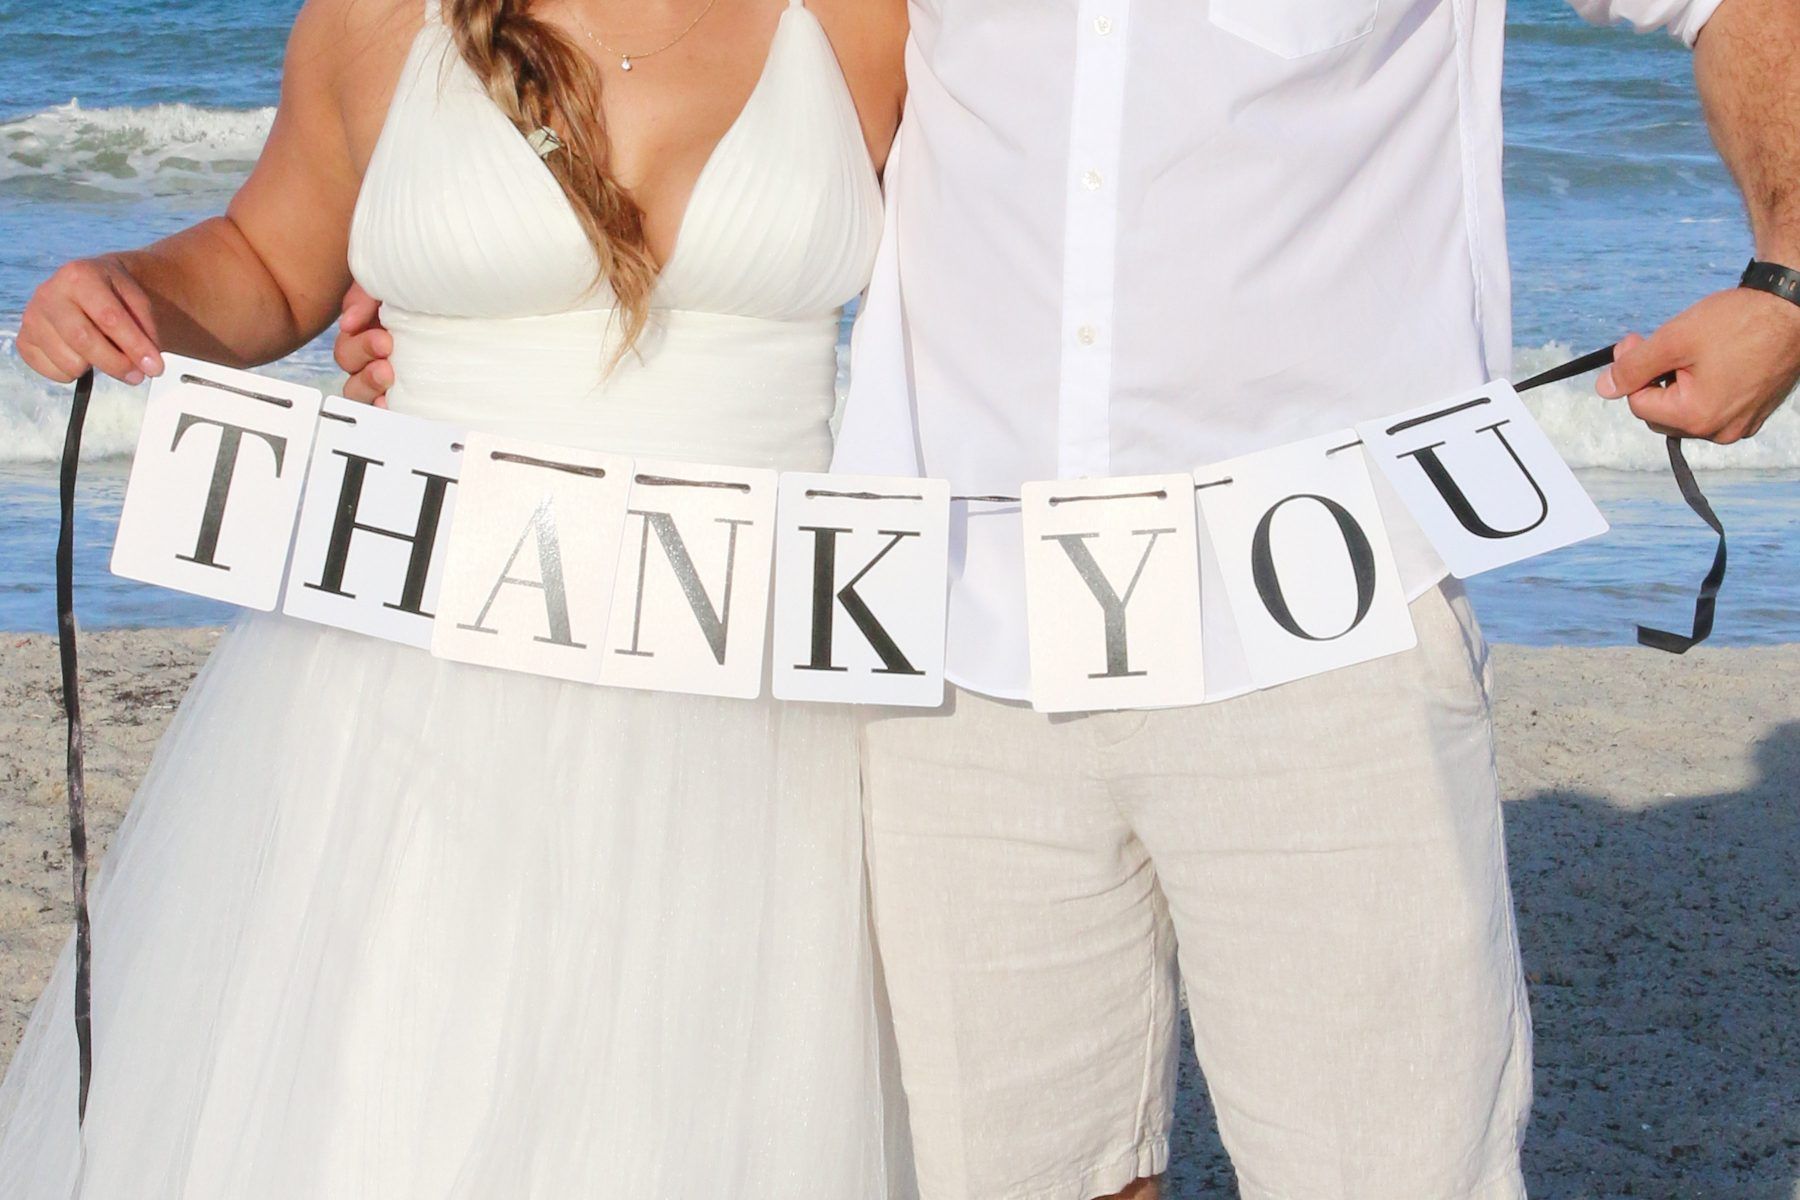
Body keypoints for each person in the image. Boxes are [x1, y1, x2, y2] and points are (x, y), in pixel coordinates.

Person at [335, 1, 1800, 1198]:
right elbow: (739, 103)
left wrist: (1784, 277)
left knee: (1386, 1169)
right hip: (958, 648)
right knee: (1013, 1173)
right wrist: (483, 303)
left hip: (1318, 626)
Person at [2, 0, 913, 1195]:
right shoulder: (378, 20)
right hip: (419, 670)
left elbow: (1000, 285)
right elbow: (270, 264)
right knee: (396, 1089)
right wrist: (122, 289)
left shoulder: (868, 19)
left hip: (754, 683)